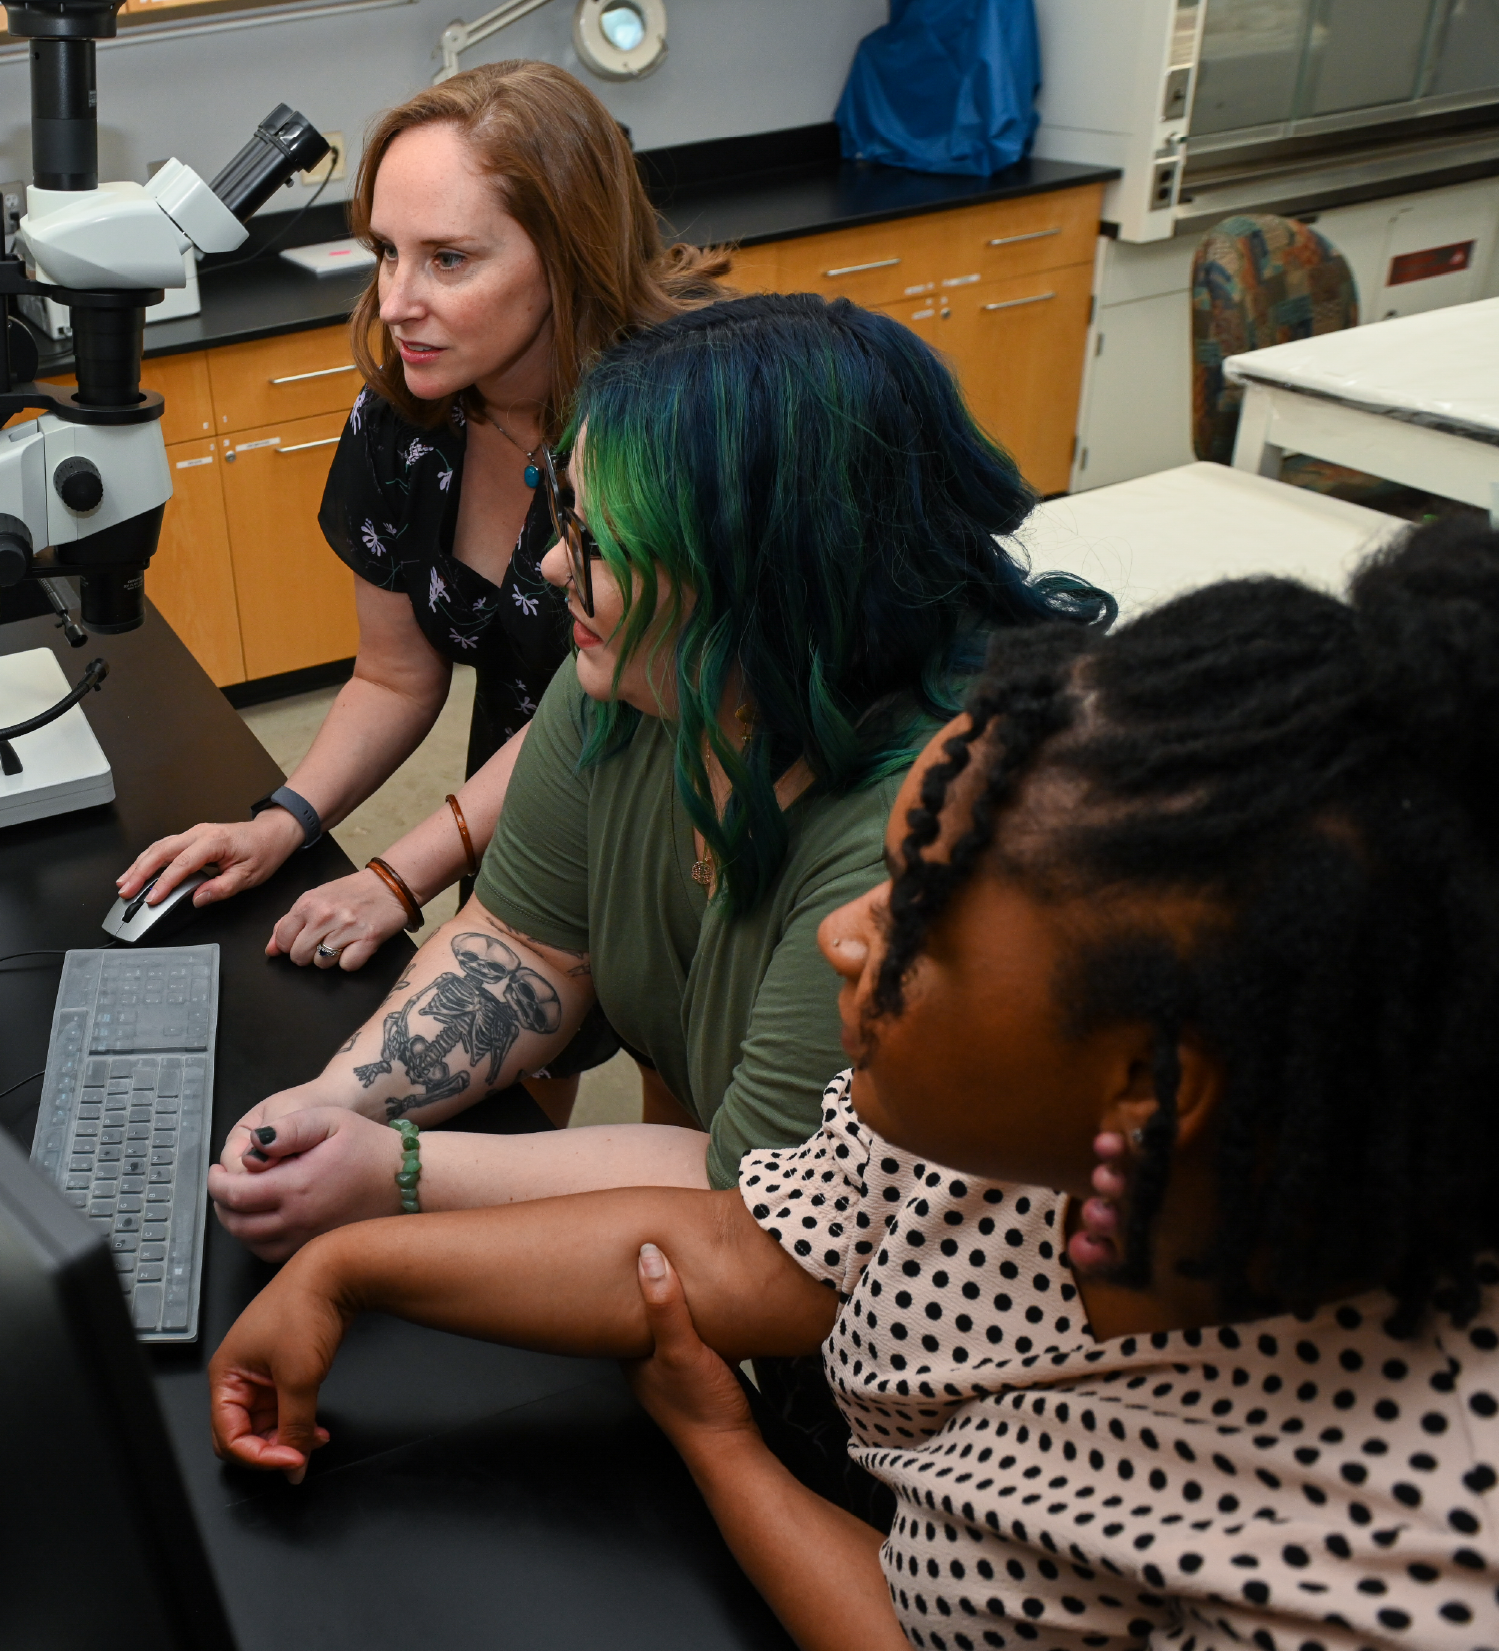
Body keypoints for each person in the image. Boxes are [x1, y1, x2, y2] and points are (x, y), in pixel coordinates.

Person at [207, 516, 1499, 1650]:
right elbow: (735, 1244)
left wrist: (730, 1461)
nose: (842, 932)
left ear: (1153, 1094)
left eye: (918, 919)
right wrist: (347, 1265)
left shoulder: (1394, 1561)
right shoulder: (1009, 1139)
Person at [205, 293, 1106, 1262]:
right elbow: (524, 944)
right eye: (567, 521)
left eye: (600, 545)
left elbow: (752, 1194)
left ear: (762, 573)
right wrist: (322, 1108)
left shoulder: (932, 821)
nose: (551, 565)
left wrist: (398, 1170)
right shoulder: (636, 675)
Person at [117, 63, 728, 1043]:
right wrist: (282, 819)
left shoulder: (672, 421)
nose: (397, 301)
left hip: (679, 799)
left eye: (446, 259)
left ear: (566, 257)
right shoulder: (405, 420)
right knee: (518, 1067)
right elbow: (395, 675)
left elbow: (586, 705)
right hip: (514, 805)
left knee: (681, 1103)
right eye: (384, 253)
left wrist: (396, 875)